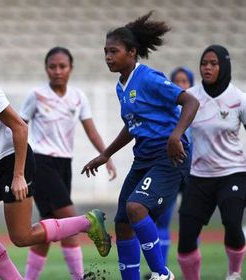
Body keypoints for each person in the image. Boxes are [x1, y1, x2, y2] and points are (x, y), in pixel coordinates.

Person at [0, 24, 111, 280]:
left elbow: (20, 127)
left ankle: (88, 222)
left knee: (22, 236)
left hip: (11, 160)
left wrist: (18, 175)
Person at [81, 12, 199, 280]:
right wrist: (105, 154)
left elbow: (191, 102)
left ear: (132, 52)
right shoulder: (122, 86)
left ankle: (161, 274)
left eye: (114, 51)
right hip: (144, 157)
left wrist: (175, 135)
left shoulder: (148, 78)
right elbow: (132, 126)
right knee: (122, 223)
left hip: (168, 156)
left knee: (136, 208)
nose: (108, 57)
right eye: (105, 52)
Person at [19, 46, 117, 280]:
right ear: (46, 69)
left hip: (65, 165)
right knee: (69, 219)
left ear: (70, 68)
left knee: (46, 226)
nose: (57, 71)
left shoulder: (78, 97)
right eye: (52, 66)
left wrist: (107, 156)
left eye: (62, 66)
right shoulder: (36, 95)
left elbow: (91, 131)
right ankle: (80, 274)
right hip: (40, 162)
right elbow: (19, 127)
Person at [177, 45, 246, 280]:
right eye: (204, 63)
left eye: (213, 63)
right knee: (185, 237)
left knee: (232, 223)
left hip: (233, 173)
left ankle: (234, 272)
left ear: (224, 66)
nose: (207, 67)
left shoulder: (238, 99)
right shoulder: (191, 97)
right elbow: (177, 130)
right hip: (199, 176)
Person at [143, 66, 195, 280]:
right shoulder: (165, 109)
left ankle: (190, 270)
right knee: (163, 219)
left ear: (191, 84)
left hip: (194, 169)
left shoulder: (196, 107)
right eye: (177, 81)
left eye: (185, 81)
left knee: (191, 222)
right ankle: (160, 270)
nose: (181, 85)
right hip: (171, 166)